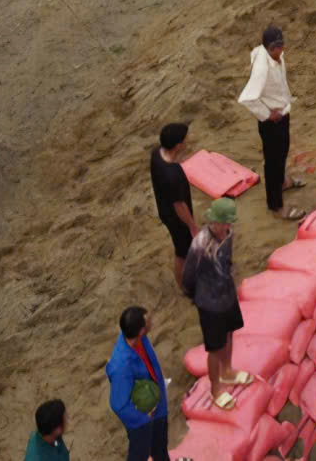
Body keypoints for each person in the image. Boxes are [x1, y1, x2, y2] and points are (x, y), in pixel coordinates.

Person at [180, 199, 250, 410]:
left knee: (229, 333)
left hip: (226, 294)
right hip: (209, 303)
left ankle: (227, 371)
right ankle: (215, 389)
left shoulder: (229, 234)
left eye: (230, 223)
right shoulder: (200, 244)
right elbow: (188, 277)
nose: (228, 227)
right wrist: (198, 298)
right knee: (214, 347)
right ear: (216, 222)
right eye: (226, 223)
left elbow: (227, 260)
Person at [237, 26, 301, 219]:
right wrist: (267, 114)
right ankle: (275, 206)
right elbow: (247, 98)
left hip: (282, 112)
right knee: (273, 162)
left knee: (282, 151)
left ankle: (282, 182)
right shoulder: (262, 68)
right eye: (278, 47)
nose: (281, 50)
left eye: (282, 45)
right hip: (272, 122)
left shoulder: (275, 56)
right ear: (270, 48)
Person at [106, 307, 173, 461]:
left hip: (158, 406)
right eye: (148, 320)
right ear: (141, 330)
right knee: (139, 455)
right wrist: (143, 417)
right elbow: (118, 405)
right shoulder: (121, 366)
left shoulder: (137, 338)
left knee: (160, 449)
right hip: (140, 422)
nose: (151, 321)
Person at [148, 122, 194, 284]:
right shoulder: (173, 174)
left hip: (164, 207)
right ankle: (182, 284)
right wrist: (192, 226)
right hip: (176, 218)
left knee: (184, 249)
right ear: (178, 145)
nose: (188, 140)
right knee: (182, 252)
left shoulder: (156, 153)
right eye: (185, 139)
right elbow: (179, 206)